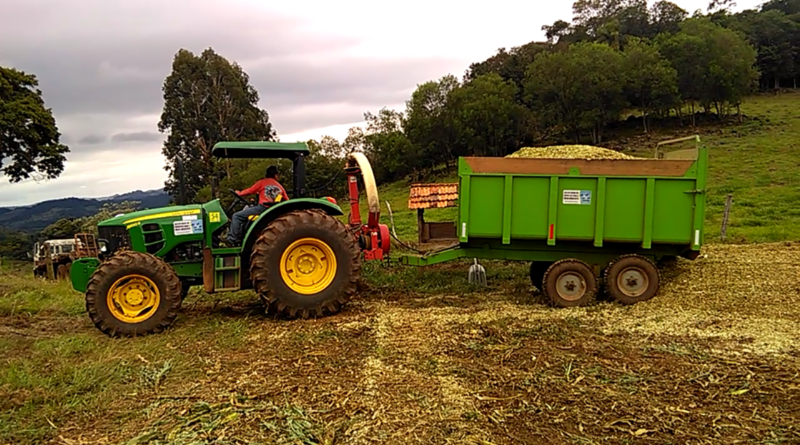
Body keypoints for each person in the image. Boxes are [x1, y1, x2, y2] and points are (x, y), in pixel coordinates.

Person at [226, 165, 288, 246]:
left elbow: (250, 191)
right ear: (275, 175)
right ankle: (240, 237)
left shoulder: (262, 182)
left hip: (262, 208)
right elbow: (287, 200)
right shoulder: (280, 187)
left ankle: (232, 239)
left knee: (237, 216)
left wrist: (239, 193)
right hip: (272, 210)